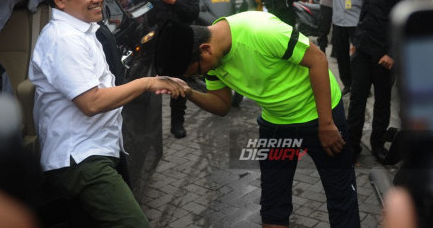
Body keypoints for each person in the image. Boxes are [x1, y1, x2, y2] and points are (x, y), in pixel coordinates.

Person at [154, 11, 360, 228]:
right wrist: (189, 93)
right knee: (273, 205)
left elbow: (318, 59)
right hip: (276, 125)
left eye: (196, 72)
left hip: (319, 116)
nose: (199, 76)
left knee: (340, 197)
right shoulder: (212, 58)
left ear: (205, 50)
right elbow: (222, 105)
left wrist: (326, 124)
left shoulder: (261, 31)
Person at [29, 0, 187, 227]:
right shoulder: (64, 39)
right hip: (81, 158)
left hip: (96, 148)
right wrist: (148, 83)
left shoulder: (83, 29)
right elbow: (91, 102)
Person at [345, 0, 416, 164]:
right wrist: (356, 43)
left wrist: (393, 54)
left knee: (382, 102)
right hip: (364, 50)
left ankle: (377, 144)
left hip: (384, 55)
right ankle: (352, 145)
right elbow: (365, 12)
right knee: (357, 99)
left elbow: (406, 22)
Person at [145, 0, 199, 138]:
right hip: (155, 45)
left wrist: (175, 2)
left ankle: (177, 123)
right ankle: (146, 128)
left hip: (179, 45)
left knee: (178, 86)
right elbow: (141, 12)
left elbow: (193, 13)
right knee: (148, 84)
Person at [314, 0, 365, 97]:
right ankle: (348, 84)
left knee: (359, 56)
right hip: (339, 21)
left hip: (356, 21)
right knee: (342, 55)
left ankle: (361, 84)